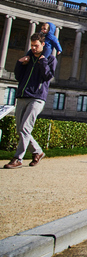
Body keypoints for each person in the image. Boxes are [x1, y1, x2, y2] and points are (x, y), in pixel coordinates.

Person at [4, 33, 57, 169]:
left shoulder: (50, 59)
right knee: (20, 129)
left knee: (25, 128)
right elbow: (18, 76)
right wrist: (20, 63)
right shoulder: (29, 59)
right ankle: (37, 152)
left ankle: (18, 158)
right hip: (23, 95)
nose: (33, 48)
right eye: (32, 45)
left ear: (43, 45)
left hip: (37, 97)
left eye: (36, 45)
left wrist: (43, 62)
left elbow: (47, 76)